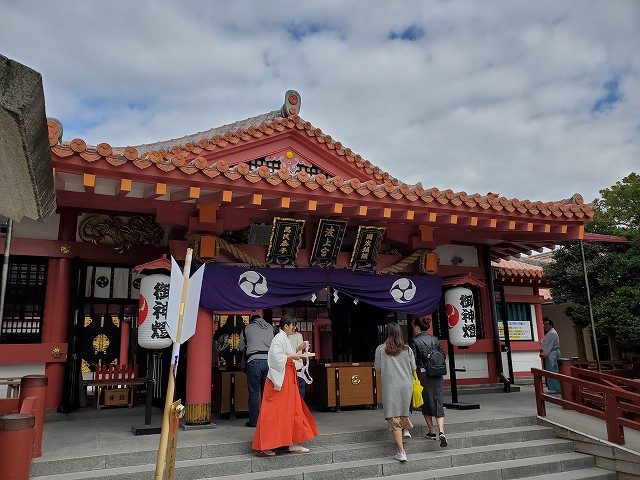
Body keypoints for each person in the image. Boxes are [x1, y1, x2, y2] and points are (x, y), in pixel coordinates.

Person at [252, 314, 318, 456]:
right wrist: (295, 356)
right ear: (285, 326)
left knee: (291, 408)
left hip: (287, 376)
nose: (294, 328)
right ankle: (267, 445)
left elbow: (285, 355)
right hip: (281, 378)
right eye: (292, 325)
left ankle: (291, 442)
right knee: (274, 411)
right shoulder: (278, 339)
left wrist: (298, 349)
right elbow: (276, 358)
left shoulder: (284, 338)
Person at [374, 322, 416, 462]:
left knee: (393, 417)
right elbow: (413, 367)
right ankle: (405, 433)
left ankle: (401, 452)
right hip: (406, 385)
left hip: (390, 386)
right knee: (403, 414)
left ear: (386, 333)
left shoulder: (380, 349)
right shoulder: (408, 349)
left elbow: (377, 368)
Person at [410, 315, 448, 448]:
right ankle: (441, 431)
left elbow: (413, 361)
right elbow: (443, 355)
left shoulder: (414, 341)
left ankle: (431, 431)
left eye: (414, 327)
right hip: (437, 373)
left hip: (424, 374)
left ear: (417, 327)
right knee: (438, 399)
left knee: (426, 401)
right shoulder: (435, 339)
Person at [240, 312, 274, 428]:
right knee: (267, 393)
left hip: (254, 361)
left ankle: (254, 421)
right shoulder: (270, 327)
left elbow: (241, 347)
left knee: (254, 393)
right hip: (268, 362)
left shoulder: (247, 328)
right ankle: (267, 420)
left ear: (251, 320)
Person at [541, 318, 561, 394]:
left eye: (546, 324)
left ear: (551, 325)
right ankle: (554, 387)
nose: (545, 326)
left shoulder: (552, 333)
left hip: (552, 353)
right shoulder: (551, 333)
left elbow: (548, 345)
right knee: (552, 369)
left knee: (552, 370)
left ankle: (556, 387)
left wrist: (544, 353)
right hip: (552, 352)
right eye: (544, 324)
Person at [288, 325, 307, 399]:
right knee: (301, 386)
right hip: (298, 364)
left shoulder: (285, 336)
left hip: (289, 364)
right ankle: (300, 404)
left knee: (291, 386)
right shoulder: (299, 335)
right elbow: (301, 350)